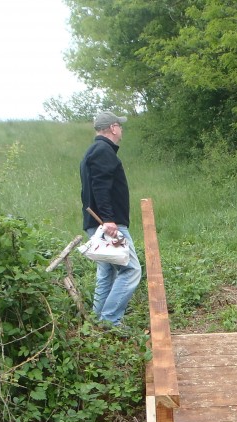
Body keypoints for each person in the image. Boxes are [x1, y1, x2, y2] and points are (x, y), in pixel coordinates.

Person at [80, 110, 141, 327]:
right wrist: (108, 220)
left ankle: (97, 322)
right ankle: (110, 320)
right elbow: (100, 186)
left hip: (98, 224)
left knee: (106, 273)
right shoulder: (103, 151)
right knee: (131, 270)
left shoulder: (93, 151)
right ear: (113, 128)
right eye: (120, 126)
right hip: (109, 225)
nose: (121, 130)